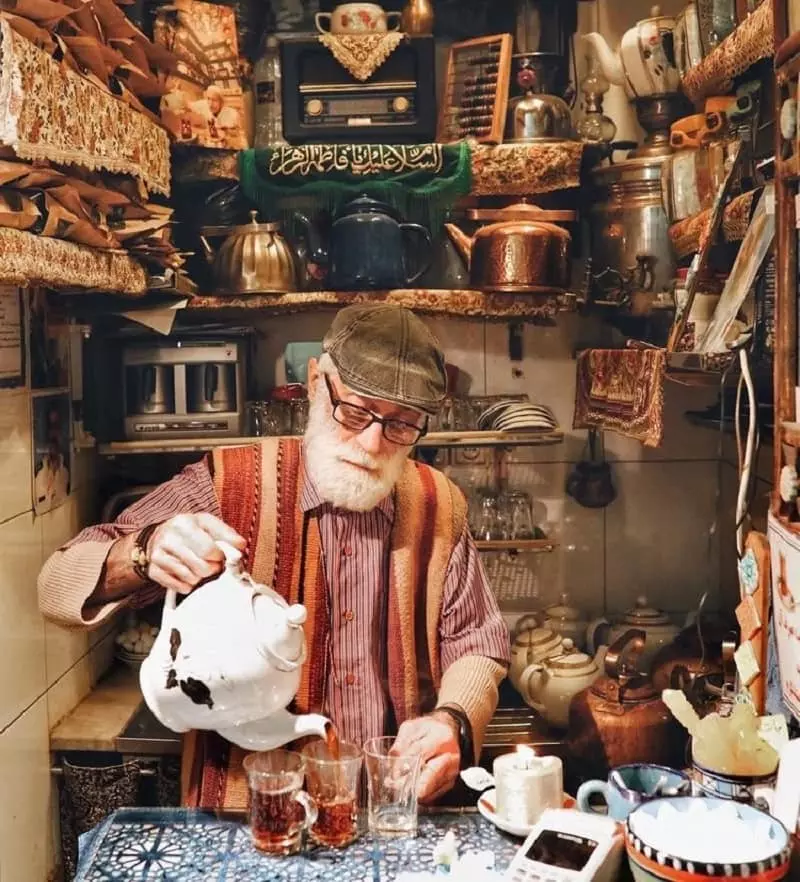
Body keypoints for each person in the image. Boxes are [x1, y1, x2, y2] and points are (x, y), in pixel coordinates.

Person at [38, 304, 510, 808]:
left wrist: (452, 720)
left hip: (392, 808)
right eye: (354, 411)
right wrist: (142, 552)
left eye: (401, 425)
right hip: (249, 814)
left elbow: (476, 641)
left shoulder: (439, 503)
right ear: (315, 381)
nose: (373, 443)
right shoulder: (228, 485)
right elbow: (54, 586)